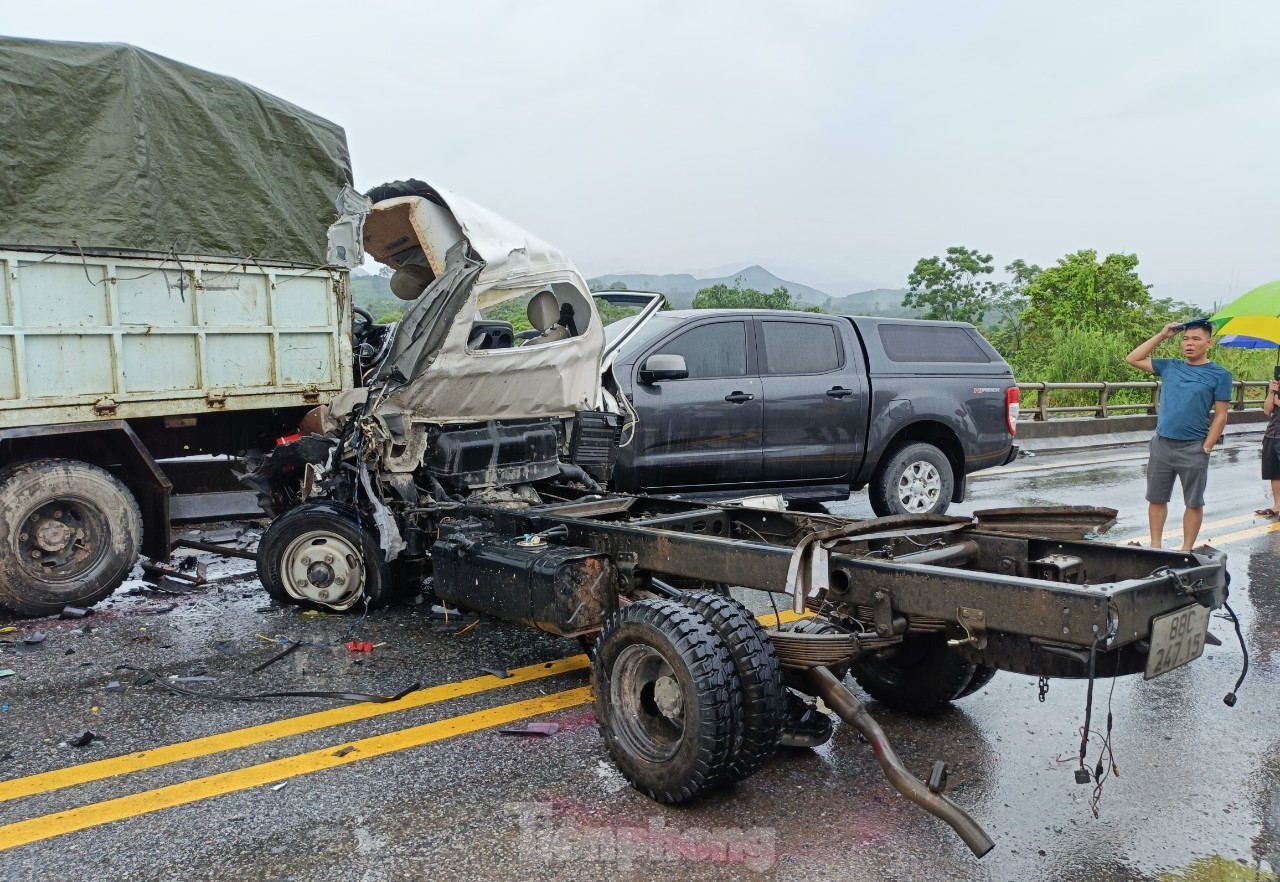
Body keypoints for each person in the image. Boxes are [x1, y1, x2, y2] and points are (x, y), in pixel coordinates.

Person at [1125, 319, 1233, 550]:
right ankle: (1155, 546)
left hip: (1193, 447)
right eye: (1185, 339)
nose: (1189, 344)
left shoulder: (1220, 375)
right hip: (1162, 444)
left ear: (1208, 343)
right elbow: (1133, 358)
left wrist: (1206, 448)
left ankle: (1186, 550)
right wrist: (1162, 335)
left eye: (1196, 339)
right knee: (1156, 498)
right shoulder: (1170, 366)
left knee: (1193, 502)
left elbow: (1221, 416)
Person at [1259, 377, 1280, 518]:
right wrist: (1271, 392)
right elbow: (1267, 411)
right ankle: (1278, 505)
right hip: (1272, 433)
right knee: (1274, 472)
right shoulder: (1277, 386)